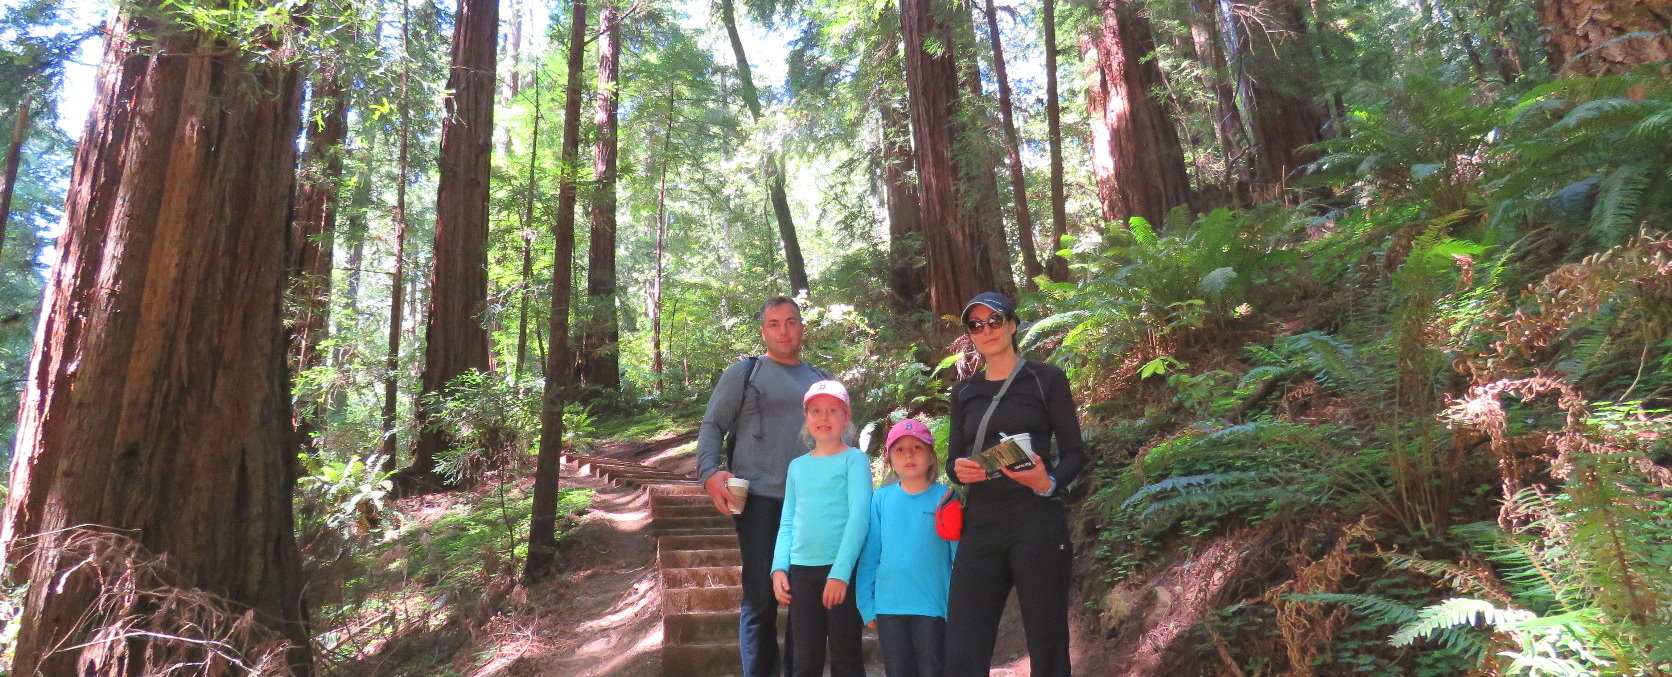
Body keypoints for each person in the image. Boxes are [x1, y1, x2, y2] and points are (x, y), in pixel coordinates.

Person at [944, 292, 1087, 677]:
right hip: (981, 526)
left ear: (1012, 324)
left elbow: (1075, 452)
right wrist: (961, 471)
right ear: (970, 334)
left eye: (994, 320)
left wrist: (1048, 480)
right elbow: (952, 462)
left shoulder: (1046, 379)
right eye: (976, 324)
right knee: (963, 642)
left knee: (1047, 640)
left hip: (1036, 521)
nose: (986, 329)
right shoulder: (964, 392)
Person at [697, 296, 827, 677]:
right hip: (759, 501)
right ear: (763, 330)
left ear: (801, 326)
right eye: (774, 323)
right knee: (760, 598)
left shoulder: (818, 380)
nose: (783, 330)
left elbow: (836, 440)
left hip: (809, 505)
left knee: (804, 600)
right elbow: (712, 425)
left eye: (790, 321)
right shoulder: (746, 372)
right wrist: (708, 473)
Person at [770, 380, 872, 677]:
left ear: (846, 416)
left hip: (841, 571)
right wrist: (779, 568)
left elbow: (859, 518)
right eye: (816, 410)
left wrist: (840, 574)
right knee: (804, 660)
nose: (823, 418)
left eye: (832, 410)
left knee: (846, 658)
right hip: (801, 572)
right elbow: (788, 520)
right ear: (806, 417)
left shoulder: (854, 460)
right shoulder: (797, 466)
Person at [856, 418, 957, 677]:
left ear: (932, 457)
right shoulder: (879, 500)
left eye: (918, 447)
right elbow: (870, 556)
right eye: (899, 449)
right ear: (890, 460)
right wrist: (866, 603)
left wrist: (956, 605)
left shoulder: (946, 498)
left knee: (934, 670)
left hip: (933, 606)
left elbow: (957, 556)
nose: (909, 454)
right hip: (890, 607)